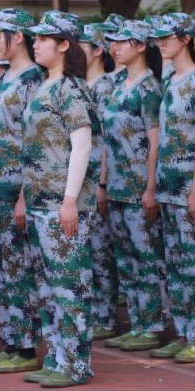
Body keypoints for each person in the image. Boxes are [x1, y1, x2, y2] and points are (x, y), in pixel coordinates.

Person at [22, 11, 101, 388]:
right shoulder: (44, 85)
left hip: (62, 204)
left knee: (70, 287)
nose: (35, 44)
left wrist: (70, 201)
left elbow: (82, 145)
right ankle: (56, 357)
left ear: (65, 45)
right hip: (40, 202)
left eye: (43, 39)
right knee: (47, 288)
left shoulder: (71, 88)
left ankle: (75, 364)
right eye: (35, 38)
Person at [0, 9, 45, 375]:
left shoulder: (33, 79)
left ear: (18, 36)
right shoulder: (5, 77)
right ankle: (11, 341)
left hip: (13, 190)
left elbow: (34, 142)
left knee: (18, 271)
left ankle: (25, 346)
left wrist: (23, 195)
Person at [151, 14, 195, 364]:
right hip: (167, 186)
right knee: (175, 265)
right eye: (159, 38)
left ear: (186, 39)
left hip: (187, 187)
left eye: (168, 37)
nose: (161, 43)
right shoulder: (169, 79)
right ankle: (183, 331)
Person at [102, 21, 166, 353]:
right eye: (114, 42)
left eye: (123, 41)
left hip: (139, 186)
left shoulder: (148, 88)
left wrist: (151, 188)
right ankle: (138, 323)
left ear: (141, 46)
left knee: (146, 257)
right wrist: (102, 183)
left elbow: (156, 143)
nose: (116, 47)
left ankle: (152, 325)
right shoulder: (118, 85)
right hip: (116, 187)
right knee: (126, 259)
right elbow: (106, 140)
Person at [80, 23, 123, 341]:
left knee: (101, 251)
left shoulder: (106, 86)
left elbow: (108, 138)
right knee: (85, 250)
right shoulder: (78, 84)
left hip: (97, 177)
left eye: (83, 46)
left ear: (98, 51)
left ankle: (105, 316)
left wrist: (103, 182)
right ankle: (92, 312)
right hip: (80, 179)